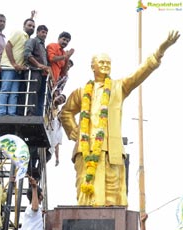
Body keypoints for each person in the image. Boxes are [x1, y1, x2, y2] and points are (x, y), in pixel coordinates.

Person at [60, 31, 180, 207]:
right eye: (101, 62)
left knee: (113, 197)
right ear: (92, 66)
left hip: (112, 150)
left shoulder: (118, 87)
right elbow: (66, 112)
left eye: (108, 63)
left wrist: (160, 51)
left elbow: (140, 72)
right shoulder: (81, 92)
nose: (105, 66)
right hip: (86, 150)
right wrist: (74, 130)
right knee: (88, 198)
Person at [0, 18, 35, 116]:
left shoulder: (28, 39)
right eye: (29, 25)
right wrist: (14, 64)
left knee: (14, 93)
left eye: (33, 26)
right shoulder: (18, 32)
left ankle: (11, 113)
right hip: (9, 66)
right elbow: (8, 46)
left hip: (18, 69)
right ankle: (2, 113)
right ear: (24, 26)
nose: (32, 27)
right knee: (5, 89)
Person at [24, 25, 53, 116]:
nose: (44, 34)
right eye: (42, 32)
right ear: (37, 32)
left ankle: (34, 114)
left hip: (41, 74)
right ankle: (29, 114)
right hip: (33, 71)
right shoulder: (33, 41)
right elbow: (27, 54)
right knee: (32, 92)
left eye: (46, 33)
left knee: (37, 93)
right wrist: (39, 65)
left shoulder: (43, 46)